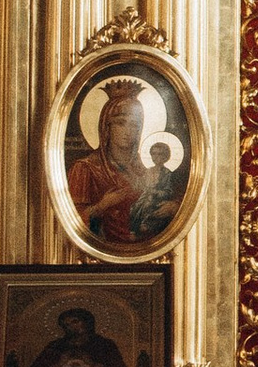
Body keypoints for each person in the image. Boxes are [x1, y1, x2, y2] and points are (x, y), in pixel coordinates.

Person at [65, 76, 180, 247]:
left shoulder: (148, 170)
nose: (128, 131)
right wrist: (102, 205)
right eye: (121, 123)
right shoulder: (86, 168)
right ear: (106, 127)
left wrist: (173, 208)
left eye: (134, 125)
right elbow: (70, 221)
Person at [22, 303, 128, 367]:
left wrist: (93, 364)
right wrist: (58, 365)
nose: (70, 327)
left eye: (75, 321)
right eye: (66, 325)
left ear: (87, 322)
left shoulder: (104, 345)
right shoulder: (55, 346)